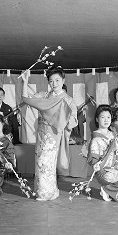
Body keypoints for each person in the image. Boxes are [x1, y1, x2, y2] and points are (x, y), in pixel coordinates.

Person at [21, 66, 78, 201]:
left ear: (63, 80)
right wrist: (25, 81)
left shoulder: (68, 99)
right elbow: (26, 99)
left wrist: (60, 121)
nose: (54, 84)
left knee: (46, 162)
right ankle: (48, 191)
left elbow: (73, 120)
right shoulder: (44, 96)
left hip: (54, 135)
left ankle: (46, 193)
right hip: (42, 133)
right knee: (40, 162)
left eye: (57, 80)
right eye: (51, 81)